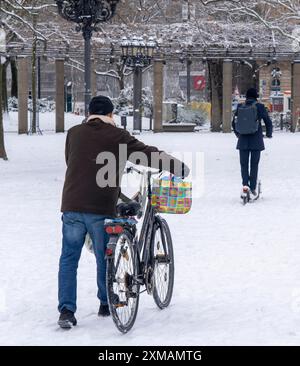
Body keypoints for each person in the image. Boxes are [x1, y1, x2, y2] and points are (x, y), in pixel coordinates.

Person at [58, 95, 189, 329]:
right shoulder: (118, 136)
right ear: (110, 115)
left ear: (89, 113)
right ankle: (105, 303)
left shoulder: (74, 133)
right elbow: (147, 153)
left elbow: (71, 161)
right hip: (99, 205)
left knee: (68, 259)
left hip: (72, 204)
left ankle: (66, 311)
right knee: (103, 256)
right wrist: (176, 165)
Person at [232, 88, 273, 198]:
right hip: (256, 141)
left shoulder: (240, 106)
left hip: (242, 141)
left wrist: (238, 134)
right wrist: (269, 134)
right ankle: (253, 187)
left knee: (244, 164)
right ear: (256, 96)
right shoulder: (259, 106)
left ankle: (245, 186)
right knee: (254, 165)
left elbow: (234, 122)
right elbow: (268, 122)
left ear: (246, 97)